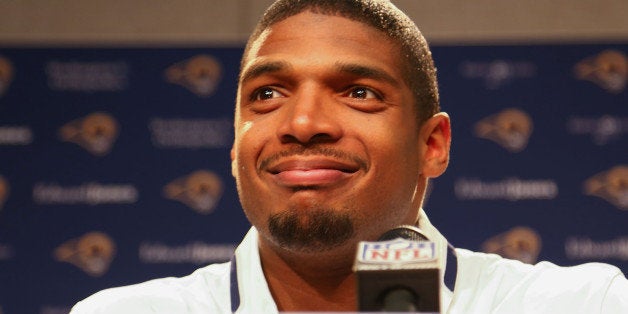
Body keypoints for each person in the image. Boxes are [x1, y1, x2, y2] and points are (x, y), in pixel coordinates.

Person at [71, 0, 628, 313]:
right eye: (266, 94)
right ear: (235, 144)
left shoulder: (580, 305)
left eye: (359, 92)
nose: (302, 124)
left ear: (431, 145)